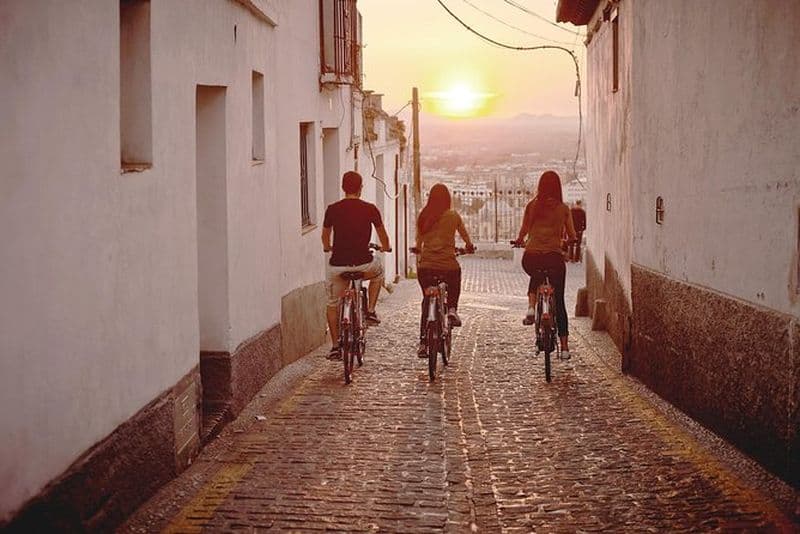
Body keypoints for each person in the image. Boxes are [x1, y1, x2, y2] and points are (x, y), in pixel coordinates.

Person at [321, 171, 391, 360]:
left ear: (343, 188)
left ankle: (335, 346)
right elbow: (383, 236)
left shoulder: (332, 209)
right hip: (364, 265)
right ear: (360, 188)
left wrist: (328, 247)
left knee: (332, 304)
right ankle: (370, 311)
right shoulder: (370, 209)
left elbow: (325, 236)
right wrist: (386, 247)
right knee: (379, 272)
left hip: (338, 267)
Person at [514, 170, 576, 358]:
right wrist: (568, 241)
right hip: (554, 257)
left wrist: (519, 240)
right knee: (560, 301)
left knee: (537, 273)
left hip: (531, 256)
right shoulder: (563, 209)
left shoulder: (532, 206)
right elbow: (572, 235)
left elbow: (524, 230)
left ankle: (532, 307)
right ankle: (564, 348)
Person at [414, 183, 475, 357]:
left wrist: (420, 251)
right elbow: (465, 236)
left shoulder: (424, 216)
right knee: (456, 276)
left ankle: (424, 343)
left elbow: (418, 243)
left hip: (426, 268)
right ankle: (452, 310)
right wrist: (469, 247)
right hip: (448, 266)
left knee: (426, 300)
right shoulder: (453, 216)